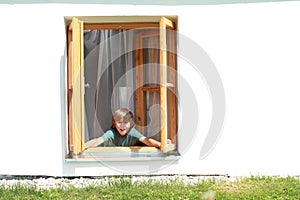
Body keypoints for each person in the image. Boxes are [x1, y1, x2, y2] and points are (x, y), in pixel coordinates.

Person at [85, 108, 167, 149]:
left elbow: (146, 140)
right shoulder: (112, 133)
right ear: (114, 124)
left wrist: (160, 144)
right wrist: (84, 146)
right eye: (119, 123)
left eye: (126, 123)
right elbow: (98, 140)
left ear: (131, 124)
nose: (122, 126)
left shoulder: (132, 132)